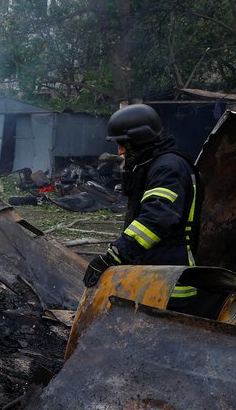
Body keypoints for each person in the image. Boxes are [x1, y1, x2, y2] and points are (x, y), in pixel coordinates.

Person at [82, 104, 204, 310]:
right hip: (157, 274)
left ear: (139, 140)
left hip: (169, 281)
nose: (120, 151)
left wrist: (113, 257)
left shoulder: (167, 168)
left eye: (123, 144)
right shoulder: (158, 164)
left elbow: (156, 220)